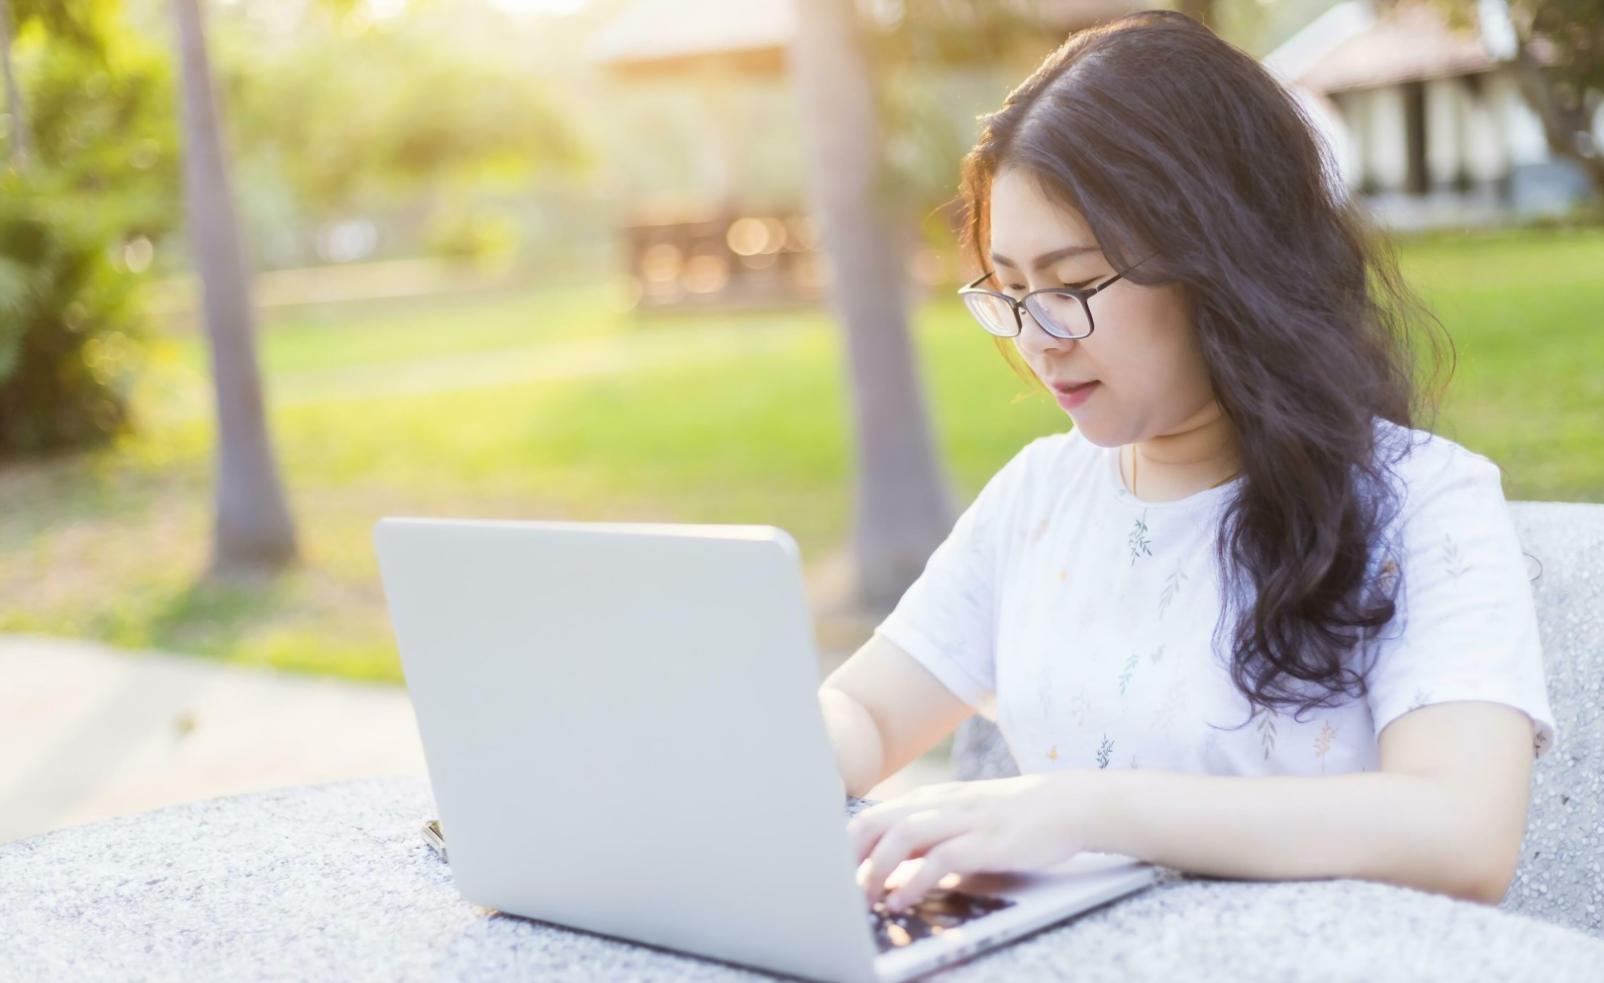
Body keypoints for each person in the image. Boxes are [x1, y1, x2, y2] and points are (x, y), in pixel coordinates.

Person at [818, 10, 1558, 916]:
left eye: (1071, 283)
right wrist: (769, 756)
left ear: (1222, 258)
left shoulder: (1422, 504)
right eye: (1009, 291)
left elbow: (1461, 833)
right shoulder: (1041, 497)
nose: (1038, 338)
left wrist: (1088, 810)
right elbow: (870, 711)